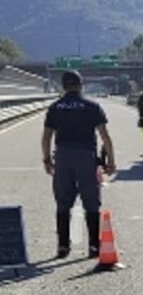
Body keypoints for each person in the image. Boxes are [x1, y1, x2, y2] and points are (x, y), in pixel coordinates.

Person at [42, 70, 116, 259]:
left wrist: (47, 160)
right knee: (91, 201)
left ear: (63, 86)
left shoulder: (55, 107)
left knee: (63, 202)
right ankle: (93, 247)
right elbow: (104, 136)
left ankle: (63, 247)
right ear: (81, 84)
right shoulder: (92, 106)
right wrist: (111, 161)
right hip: (86, 156)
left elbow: (47, 136)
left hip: (63, 155)